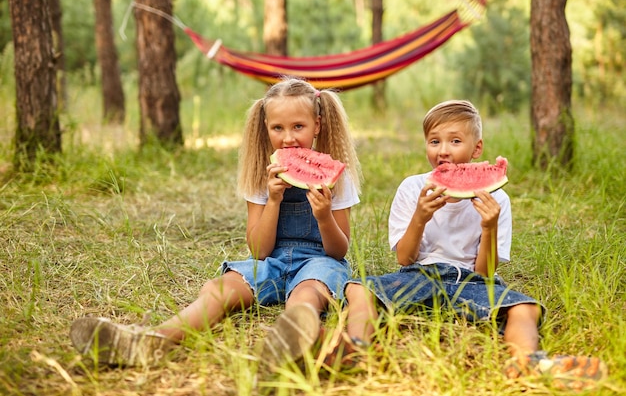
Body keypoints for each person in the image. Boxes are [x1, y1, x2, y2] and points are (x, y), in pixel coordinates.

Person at [283, 100, 607, 390]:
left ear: (476, 148)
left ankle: (528, 361)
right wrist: (420, 217)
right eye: (434, 141)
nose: (443, 150)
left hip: (470, 279)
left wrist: (489, 226)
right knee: (358, 290)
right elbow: (404, 258)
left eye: (455, 141)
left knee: (525, 308)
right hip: (419, 274)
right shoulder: (412, 189)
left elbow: (486, 271)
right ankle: (356, 346)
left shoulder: (498, 199)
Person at [69, 77, 362, 367]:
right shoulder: (263, 174)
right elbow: (259, 251)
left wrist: (323, 216)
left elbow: (338, 251)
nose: (288, 138)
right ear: (265, 129)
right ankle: (152, 340)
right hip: (270, 262)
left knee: (306, 294)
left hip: (318, 263)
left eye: (298, 126)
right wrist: (273, 201)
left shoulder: (337, 177)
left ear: (317, 125)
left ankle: (295, 341)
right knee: (219, 290)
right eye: (278, 128)